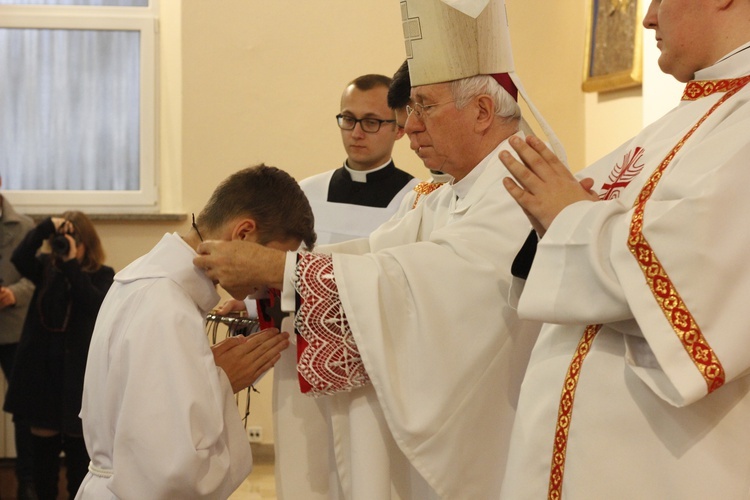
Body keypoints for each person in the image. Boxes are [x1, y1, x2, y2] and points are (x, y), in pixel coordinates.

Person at [195, 1, 564, 497]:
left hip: (485, 428)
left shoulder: (523, 184)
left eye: (424, 107)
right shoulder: (452, 191)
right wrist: (276, 278)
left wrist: (283, 269)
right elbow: (374, 252)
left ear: (481, 111)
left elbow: (443, 281)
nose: (409, 126)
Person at [498, 0, 750, 497]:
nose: (648, 17)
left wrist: (568, 219)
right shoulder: (678, 124)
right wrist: (554, 223)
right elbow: (593, 236)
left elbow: (692, 274)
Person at [75, 164, 316, 499]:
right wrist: (218, 382)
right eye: (272, 261)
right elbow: (170, 475)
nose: (271, 282)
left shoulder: (146, 278)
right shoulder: (167, 307)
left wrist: (204, 377)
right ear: (243, 234)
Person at [3, 211, 114, 499]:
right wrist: (45, 227)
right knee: (44, 470)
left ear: (86, 242)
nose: (65, 244)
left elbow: (94, 306)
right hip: (43, 382)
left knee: (80, 468)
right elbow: (20, 257)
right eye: (61, 239)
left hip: (79, 385)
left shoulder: (103, 276)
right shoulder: (44, 268)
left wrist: (72, 267)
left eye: (73, 238)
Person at [298, 73, 419, 245]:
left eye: (371, 122)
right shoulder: (306, 193)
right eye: (348, 119)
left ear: (399, 129)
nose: (356, 134)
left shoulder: (416, 199)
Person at [0, 175, 37, 500]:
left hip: (13, 328)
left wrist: (13, 293)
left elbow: (37, 276)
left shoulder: (23, 226)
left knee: (23, 408)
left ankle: (27, 480)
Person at [387, 59, 452, 217]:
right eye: (405, 128)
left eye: (421, 116)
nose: (414, 145)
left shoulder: (505, 187)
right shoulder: (416, 198)